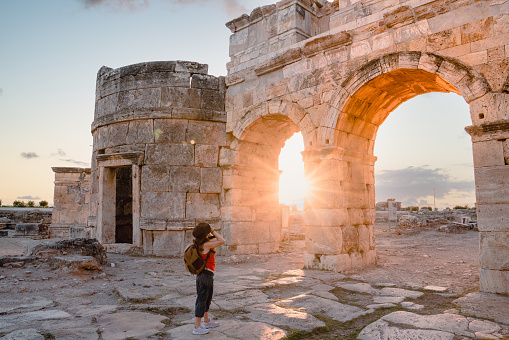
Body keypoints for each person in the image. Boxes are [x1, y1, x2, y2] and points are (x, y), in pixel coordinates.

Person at [192, 222, 225, 335]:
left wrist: (209, 231)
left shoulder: (200, 243)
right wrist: (213, 231)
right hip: (205, 275)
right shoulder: (205, 245)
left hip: (204, 275)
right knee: (201, 300)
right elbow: (222, 241)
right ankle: (197, 327)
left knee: (206, 299)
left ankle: (206, 321)